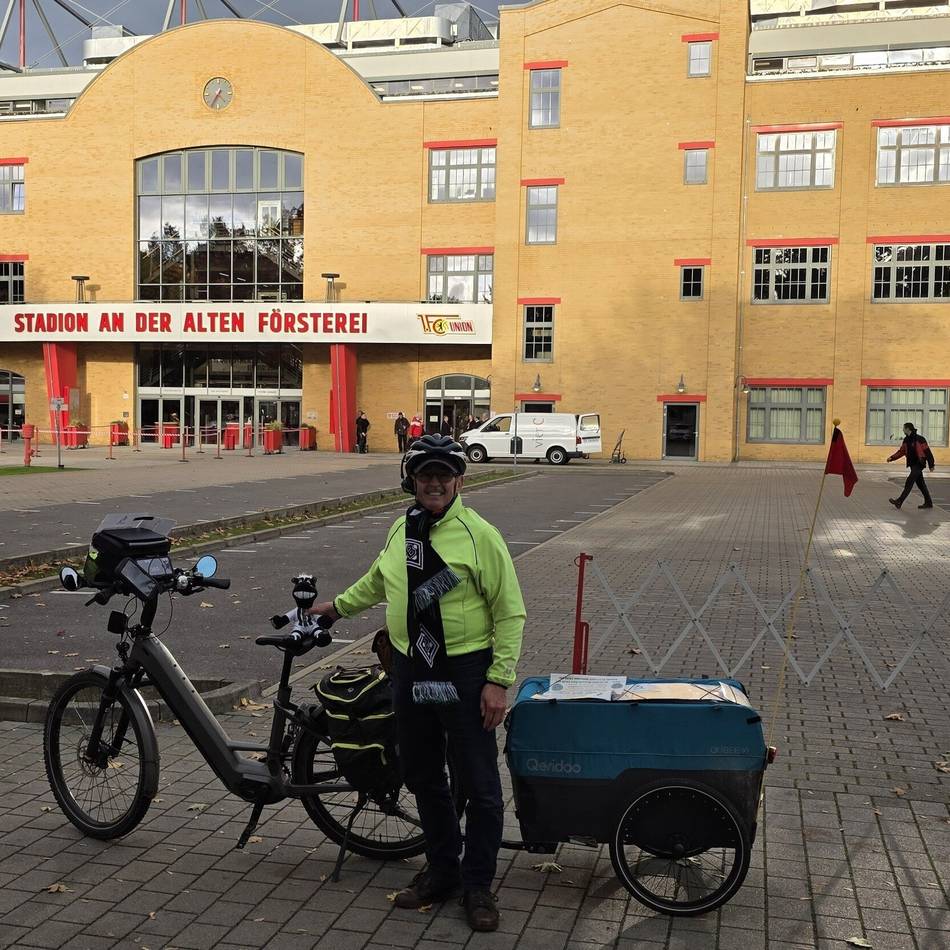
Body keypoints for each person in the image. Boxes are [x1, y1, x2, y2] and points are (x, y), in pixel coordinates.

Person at [310, 434, 525, 933]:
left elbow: (510, 613)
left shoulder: (479, 536)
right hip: (411, 671)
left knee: (480, 784)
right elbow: (380, 582)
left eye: (443, 475)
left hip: (464, 675)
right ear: (411, 479)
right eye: (425, 475)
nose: (434, 483)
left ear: (458, 481)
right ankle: (443, 872)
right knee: (424, 776)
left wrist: (498, 680)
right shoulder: (402, 528)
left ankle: (478, 886)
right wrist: (336, 607)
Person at [887, 421, 935, 509]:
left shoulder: (920, 439)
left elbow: (927, 452)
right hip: (912, 465)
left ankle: (899, 501)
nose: (902, 430)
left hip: (919, 464)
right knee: (921, 485)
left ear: (907, 429)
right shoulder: (906, 440)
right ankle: (929, 503)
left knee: (909, 482)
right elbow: (901, 452)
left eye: (903, 428)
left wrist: (931, 464)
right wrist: (892, 457)